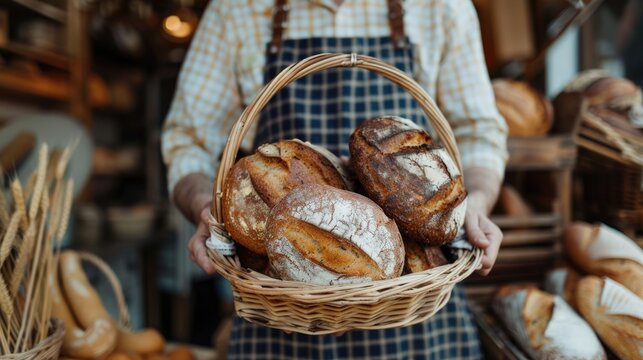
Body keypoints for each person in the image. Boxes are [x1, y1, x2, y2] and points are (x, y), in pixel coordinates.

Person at [162, 0, 507, 358]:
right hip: (281, 308)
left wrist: (476, 202)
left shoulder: (442, 6)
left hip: (416, 314)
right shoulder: (236, 9)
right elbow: (187, 140)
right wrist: (205, 206)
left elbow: (478, 133)